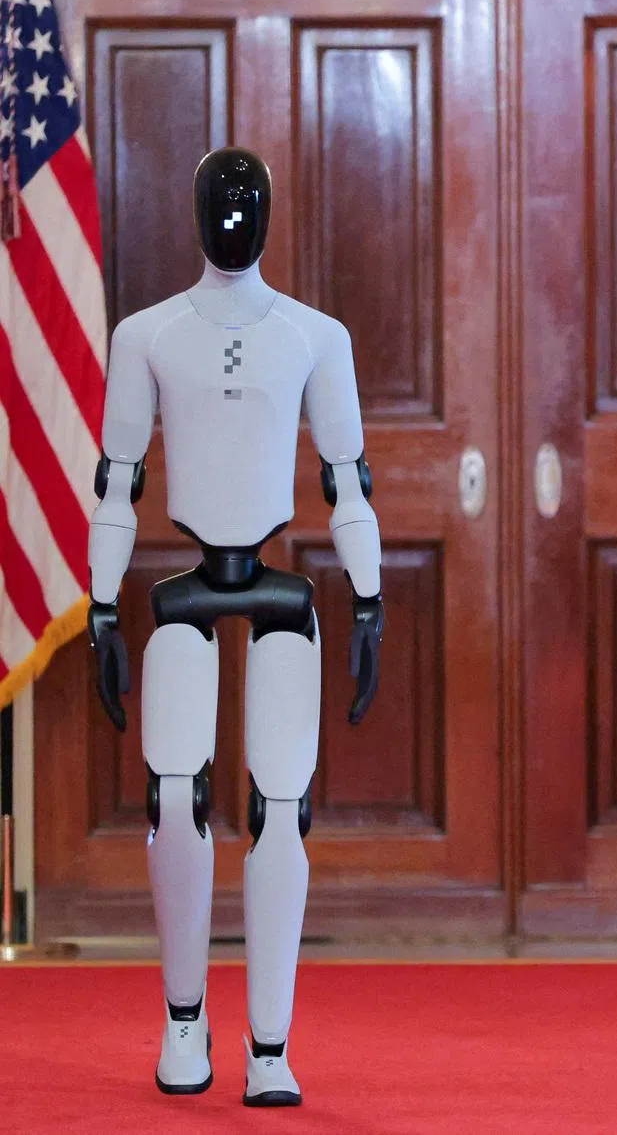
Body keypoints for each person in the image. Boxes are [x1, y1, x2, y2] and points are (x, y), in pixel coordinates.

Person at [87, 147, 384, 1106]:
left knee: (282, 811)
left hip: (277, 591)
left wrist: (370, 599)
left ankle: (269, 1043)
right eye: (219, 197)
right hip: (186, 586)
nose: (233, 214)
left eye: (248, 200)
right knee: (176, 800)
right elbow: (117, 480)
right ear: (193, 210)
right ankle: (183, 1020)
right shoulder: (147, 337)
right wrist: (100, 606)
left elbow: (347, 480)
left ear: (269, 216)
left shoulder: (314, 336)